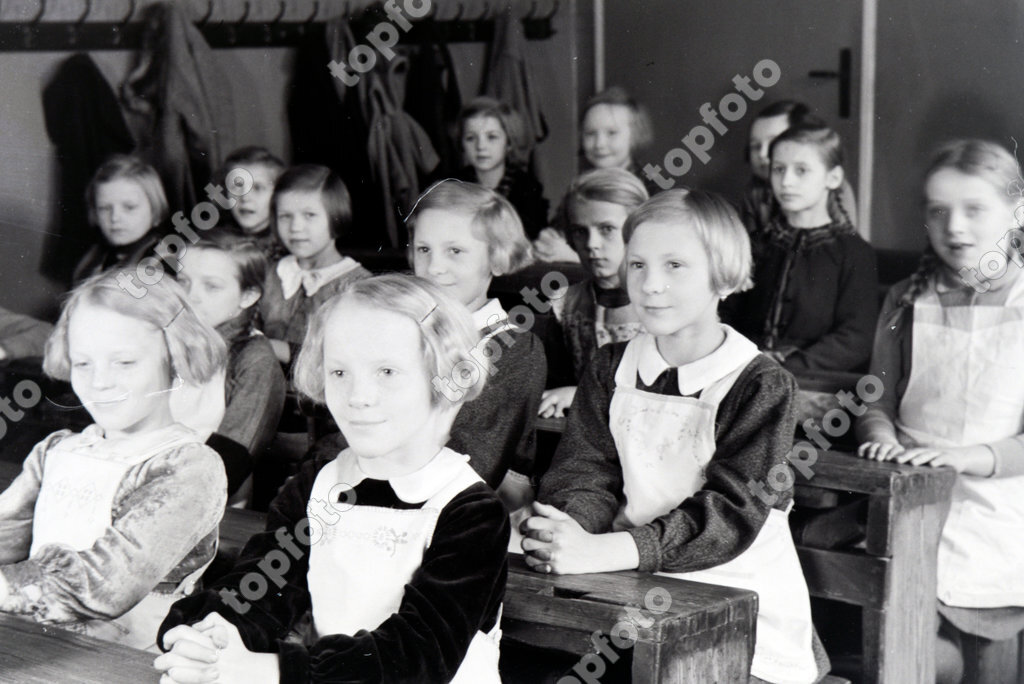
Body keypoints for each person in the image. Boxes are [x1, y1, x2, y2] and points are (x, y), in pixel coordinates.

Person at [527, 190, 822, 684]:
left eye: (675, 266)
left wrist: (609, 551)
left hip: (733, 598)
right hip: (628, 580)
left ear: (722, 275)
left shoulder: (759, 383)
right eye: (638, 264)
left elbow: (730, 513)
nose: (651, 284)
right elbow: (585, 469)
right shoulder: (611, 365)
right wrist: (571, 532)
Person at [154, 274, 510, 683]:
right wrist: (213, 632)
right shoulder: (319, 485)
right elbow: (263, 584)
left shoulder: (470, 511)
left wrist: (268, 670)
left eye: (387, 371)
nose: (358, 396)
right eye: (339, 373)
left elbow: (415, 658)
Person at [855, 139, 1024, 683]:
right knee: (909, 649)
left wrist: (966, 456)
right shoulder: (907, 297)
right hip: (912, 498)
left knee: (988, 665)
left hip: (1001, 506)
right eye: (938, 210)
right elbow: (875, 394)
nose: (955, 227)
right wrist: (880, 432)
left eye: (975, 209)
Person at [0, 270, 227, 650]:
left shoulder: (189, 468)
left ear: (175, 358)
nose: (99, 382)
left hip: (130, 662)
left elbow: (103, 584)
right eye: (83, 363)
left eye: (123, 363)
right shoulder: (57, 450)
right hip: (42, 648)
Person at [408, 179, 546, 514]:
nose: (434, 267)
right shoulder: (403, 329)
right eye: (423, 249)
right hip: (389, 491)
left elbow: (477, 460)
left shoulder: (512, 346)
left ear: (497, 260)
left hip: (470, 512)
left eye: (454, 251)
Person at [723, 123, 878, 373]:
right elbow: (725, 312)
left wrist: (786, 367)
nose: (786, 181)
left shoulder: (854, 253)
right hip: (743, 369)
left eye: (801, 170)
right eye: (778, 169)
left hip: (813, 381)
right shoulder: (753, 245)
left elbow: (855, 338)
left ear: (833, 177)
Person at [177, 233, 286, 507]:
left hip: (207, 499)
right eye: (183, 282)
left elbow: (233, 457)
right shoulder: (166, 341)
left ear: (247, 296)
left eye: (211, 287)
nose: (191, 297)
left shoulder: (253, 358)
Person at [539, 168, 648, 419]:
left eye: (607, 229)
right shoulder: (564, 303)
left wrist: (579, 394)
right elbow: (555, 382)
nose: (591, 244)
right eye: (580, 231)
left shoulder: (666, 303)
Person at [258, 165, 371, 365]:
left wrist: (272, 348)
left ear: (336, 217)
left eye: (309, 215)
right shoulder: (269, 272)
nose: (296, 227)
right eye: (285, 216)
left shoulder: (360, 286)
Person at [534, 87, 655, 263]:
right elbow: (561, 231)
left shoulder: (650, 191)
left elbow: (645, 257)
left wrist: (573, 256)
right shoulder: (580, 188)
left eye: (611, 133)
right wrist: (549, 239)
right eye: (590, 134)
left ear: (635, 135)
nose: (599, 143)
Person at [743, 100, 858, 235]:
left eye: (773, 143)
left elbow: (844, 239)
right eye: (755, 146)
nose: (762, 154)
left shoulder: (833, 189)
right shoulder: (754, 191)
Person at [455, 96, 549, 240]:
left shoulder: (529, 189)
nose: (480, 146)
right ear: (462, 144)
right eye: (470, 138)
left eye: (492, 137)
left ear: (509, 143)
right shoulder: (452, 186)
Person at [72, 154, 169, 284]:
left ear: (155, 210)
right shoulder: (92, 259)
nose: (114, 217)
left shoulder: (163, 263)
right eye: (104, 208)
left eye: (129, 207)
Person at [218, 146, 287, 262]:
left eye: (258, 188)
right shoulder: (217, 239)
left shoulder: (287, 248)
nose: (245, 197)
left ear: (277, 194)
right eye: (237, 186)